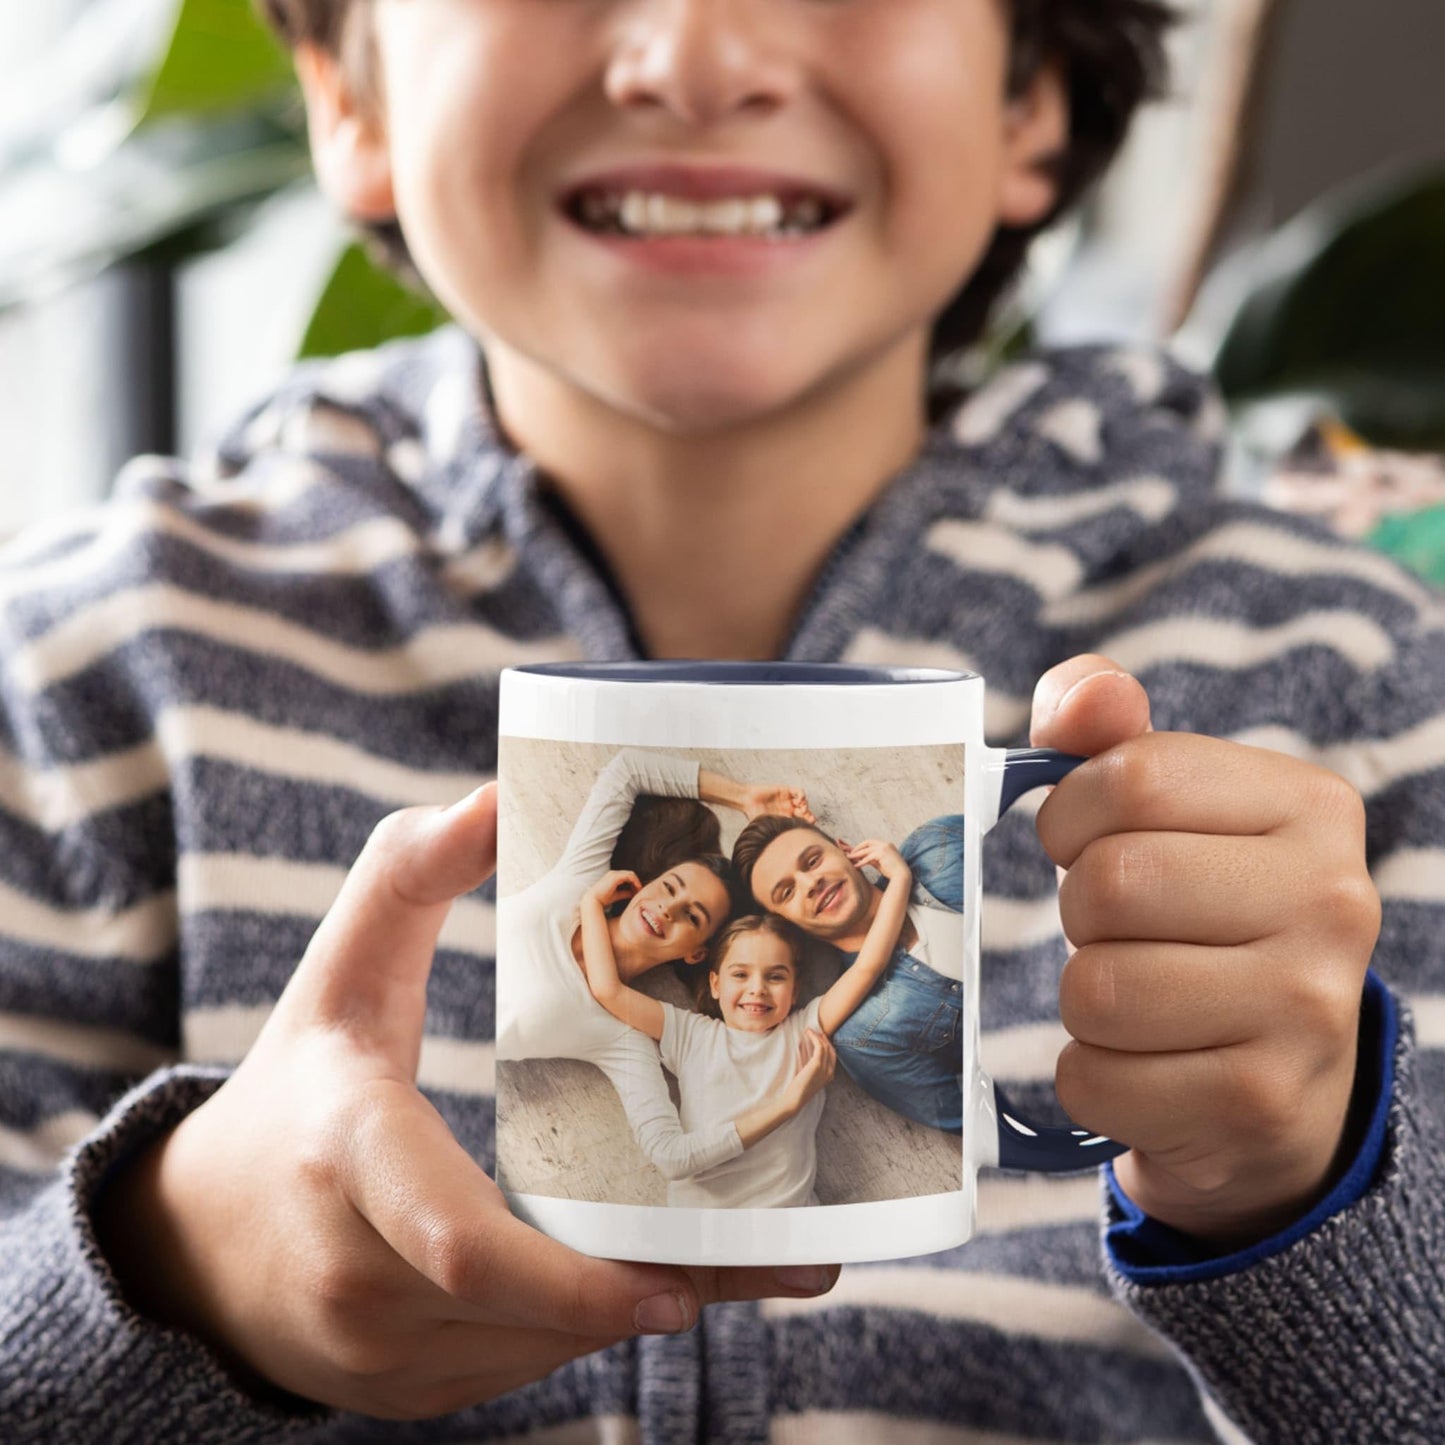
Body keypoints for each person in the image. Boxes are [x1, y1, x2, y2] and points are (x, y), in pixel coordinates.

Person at [0, 0, 1441, 1440]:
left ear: (1034, 93)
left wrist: (1312, 1190)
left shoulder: (1355, 688)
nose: (694, 62)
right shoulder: (80, 685)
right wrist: (160, 1262)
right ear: (346, 95)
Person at [495, 745, 807, 1185]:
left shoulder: (624, 1036)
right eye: (670, 887)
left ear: (695, 953)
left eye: (693, 917)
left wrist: (788, 1104)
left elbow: (671, 1156)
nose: (667, 909)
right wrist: (743, 797)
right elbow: (627, 770)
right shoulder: (579, 879)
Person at [580, 838, 909, 1207]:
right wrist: (591, 904)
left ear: (795, 987)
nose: (757, 990)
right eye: (740, 975)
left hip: (788, 1229)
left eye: (775, 976)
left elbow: (868, 964)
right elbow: (608, 989)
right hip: (701, 1233)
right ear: (715, 983)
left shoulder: (804, 1033)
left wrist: (899, 878)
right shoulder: (690, 1034)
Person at [732, 813, 968, 1134]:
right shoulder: (866, 1037)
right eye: (787, 892)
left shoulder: (937, 843)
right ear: (787, 927)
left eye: (813, 861)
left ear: (845, 849)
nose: (811, 883)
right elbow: (979, 1123)